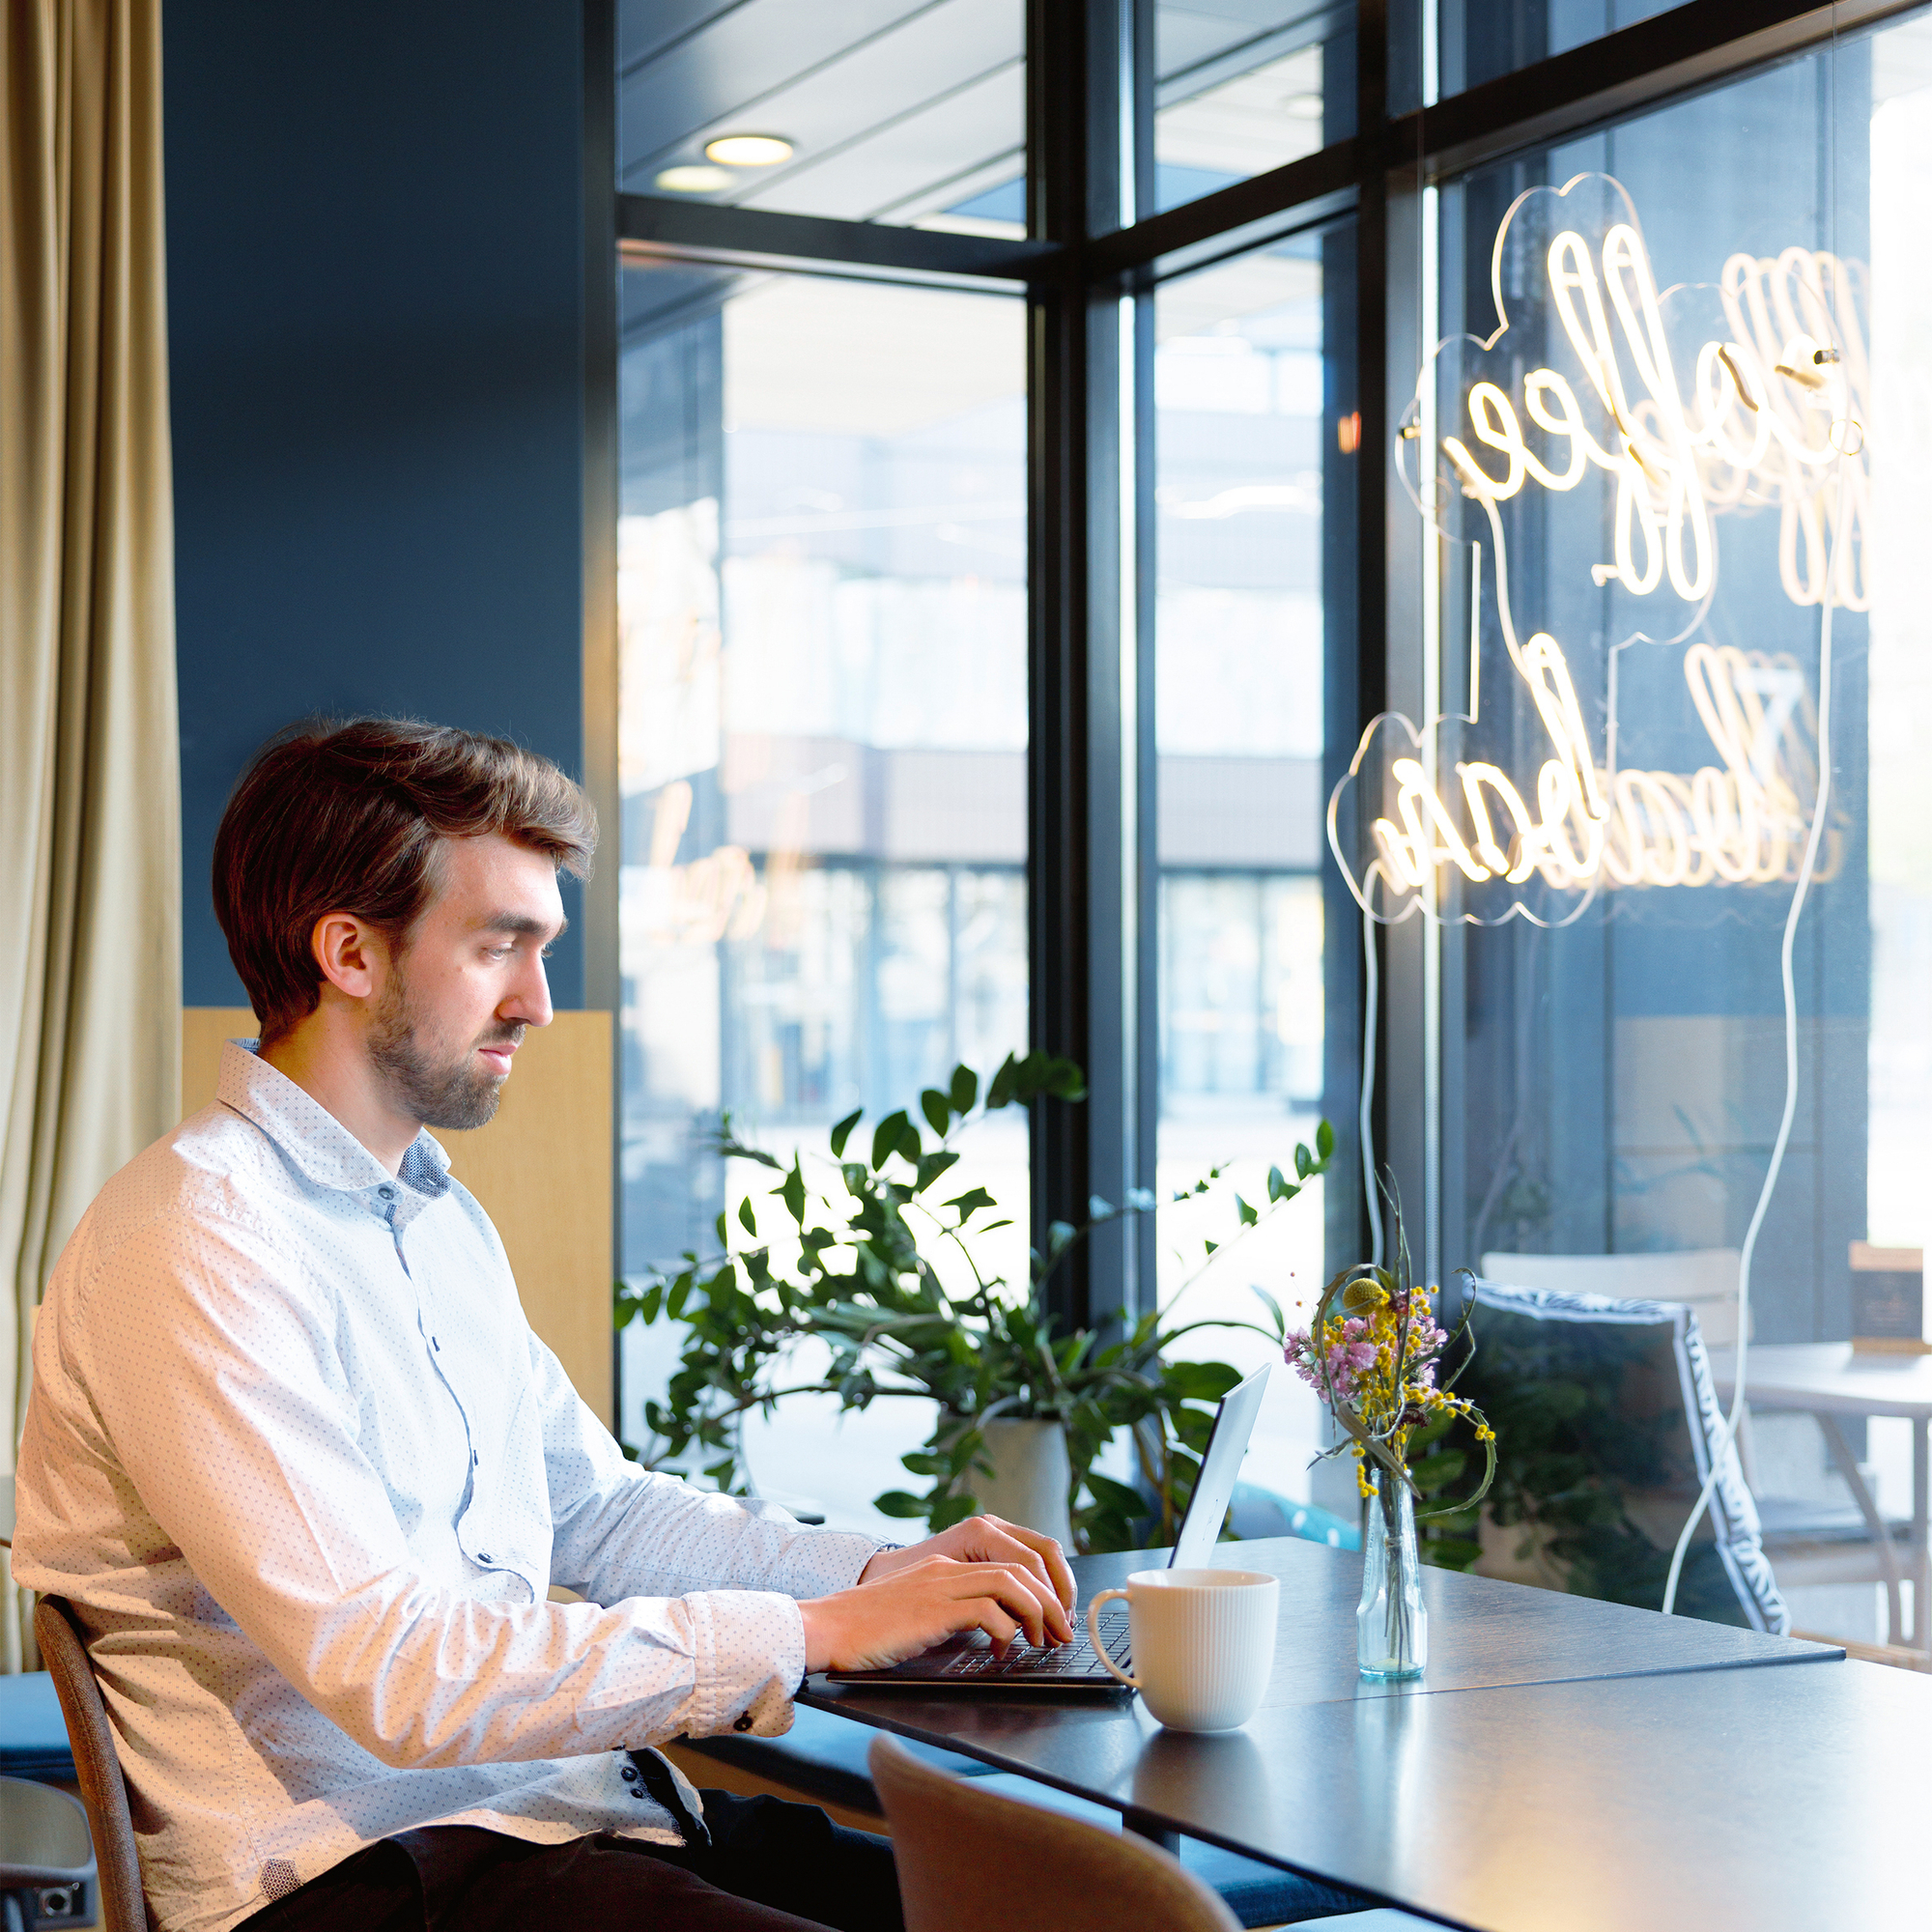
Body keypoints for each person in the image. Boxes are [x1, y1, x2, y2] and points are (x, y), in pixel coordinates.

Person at [13, 718, 1076, 1932]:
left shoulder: (432, 1217)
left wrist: (881, 1571)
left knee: (1032, 1907)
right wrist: (813, 1630)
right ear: (350, 952)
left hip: (553, 1819)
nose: (539, 1002)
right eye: (499, 945)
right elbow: (395, 1671)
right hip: (360, 1875)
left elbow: (596, 1508)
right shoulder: (198, 1238)